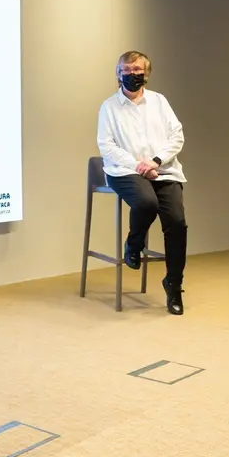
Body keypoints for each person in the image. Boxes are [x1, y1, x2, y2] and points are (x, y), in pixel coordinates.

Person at [97, 51, 188, 315]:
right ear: (118, 73)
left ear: (146, 73)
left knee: (177, 223)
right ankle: (134, 244)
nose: (131, 74)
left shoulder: (160, 102)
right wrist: (138, 166)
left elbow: (177, 136)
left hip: (163, 170)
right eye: (125, 70)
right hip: (125, 171)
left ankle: (173, 284)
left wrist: (155, 162)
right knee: (147, 203)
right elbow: (106, 146)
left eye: (136, 70)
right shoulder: (109, 107)